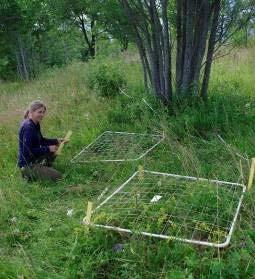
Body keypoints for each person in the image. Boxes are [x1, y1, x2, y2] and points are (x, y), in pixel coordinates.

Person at [18, 100, 67, 182]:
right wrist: (48, 149)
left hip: (33, 159)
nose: (42, 115)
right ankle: (28, 174)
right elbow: (27, 152)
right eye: (39, 112)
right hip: (27, 165)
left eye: (43, 112)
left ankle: (43, 168)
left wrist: (56, 141)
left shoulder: (35, 123)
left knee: (54, 149)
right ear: (31, 112)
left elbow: (41, 140)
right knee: (59, 177)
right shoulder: (28, 128)